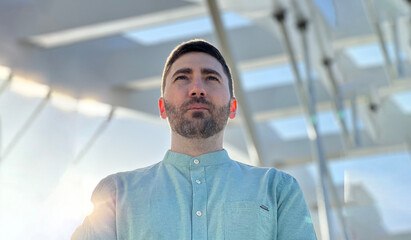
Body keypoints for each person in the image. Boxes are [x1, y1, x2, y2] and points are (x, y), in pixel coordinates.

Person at [72, 39, 317, 240]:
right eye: (182, 78)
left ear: (232, 107)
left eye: (211, 78)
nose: (197, 89)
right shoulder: (116, 194)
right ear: (162, 107)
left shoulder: (277, 189)